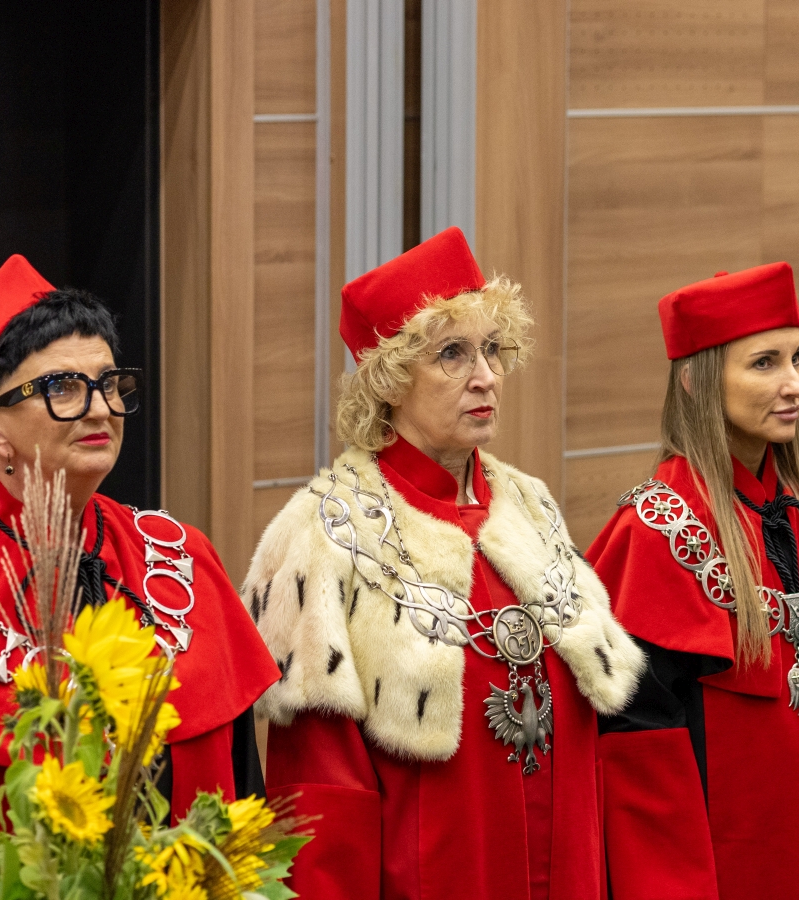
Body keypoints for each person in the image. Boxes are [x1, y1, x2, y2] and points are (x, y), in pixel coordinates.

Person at [247, 227, 645, 899]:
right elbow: (321, 802)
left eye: (492, 348)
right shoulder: (321, 536)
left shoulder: (530, 503)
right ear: (390, 377)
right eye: (452, 354)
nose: (485, 376)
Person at [0, 256, 279, 842]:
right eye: (62, 387)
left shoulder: (182, 563)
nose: (101, 409)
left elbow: (244, 806)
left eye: (109, 384)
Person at [588, 263, 799, 900]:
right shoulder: (654, 534)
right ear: (695, 379)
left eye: (798, 358)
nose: (796, 384)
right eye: (765, 363)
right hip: (731, 865)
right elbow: (642, 758)